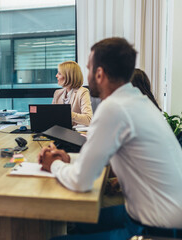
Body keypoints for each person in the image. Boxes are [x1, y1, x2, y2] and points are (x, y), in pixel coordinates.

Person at [39, 38, 182, 239]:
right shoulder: (139, 101)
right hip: (162, 214)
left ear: (99, 73)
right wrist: (69, 160)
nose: (86, 75)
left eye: (89, 68)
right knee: (75, 221)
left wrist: (53, 164)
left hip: (155, 229)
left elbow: (81, 182)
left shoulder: (114, 108)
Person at [52, 61, 93, 126]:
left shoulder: (82, 92)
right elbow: (52, 116)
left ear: (68, 76)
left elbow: (88, 119)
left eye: (59, 73)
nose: (56, 75)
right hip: (59, 131)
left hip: (75, 133)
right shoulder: (57, 93)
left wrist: (67, 113)